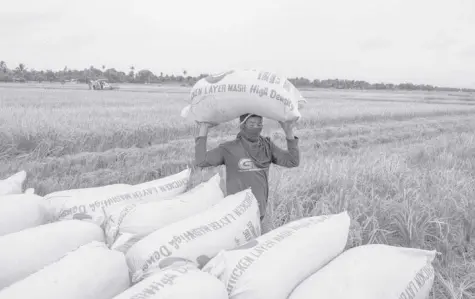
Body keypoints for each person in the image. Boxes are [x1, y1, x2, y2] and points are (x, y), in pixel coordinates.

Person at [194, 113, 300, 232]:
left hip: (260, 212)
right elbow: (201, 161)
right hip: (236, 213)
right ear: (242, 125)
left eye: (259, 124)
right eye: (252, 124)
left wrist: (288, 131)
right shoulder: (229, 149)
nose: (256, 127)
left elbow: (292, 161)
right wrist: (204, 129)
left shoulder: (267, 146)